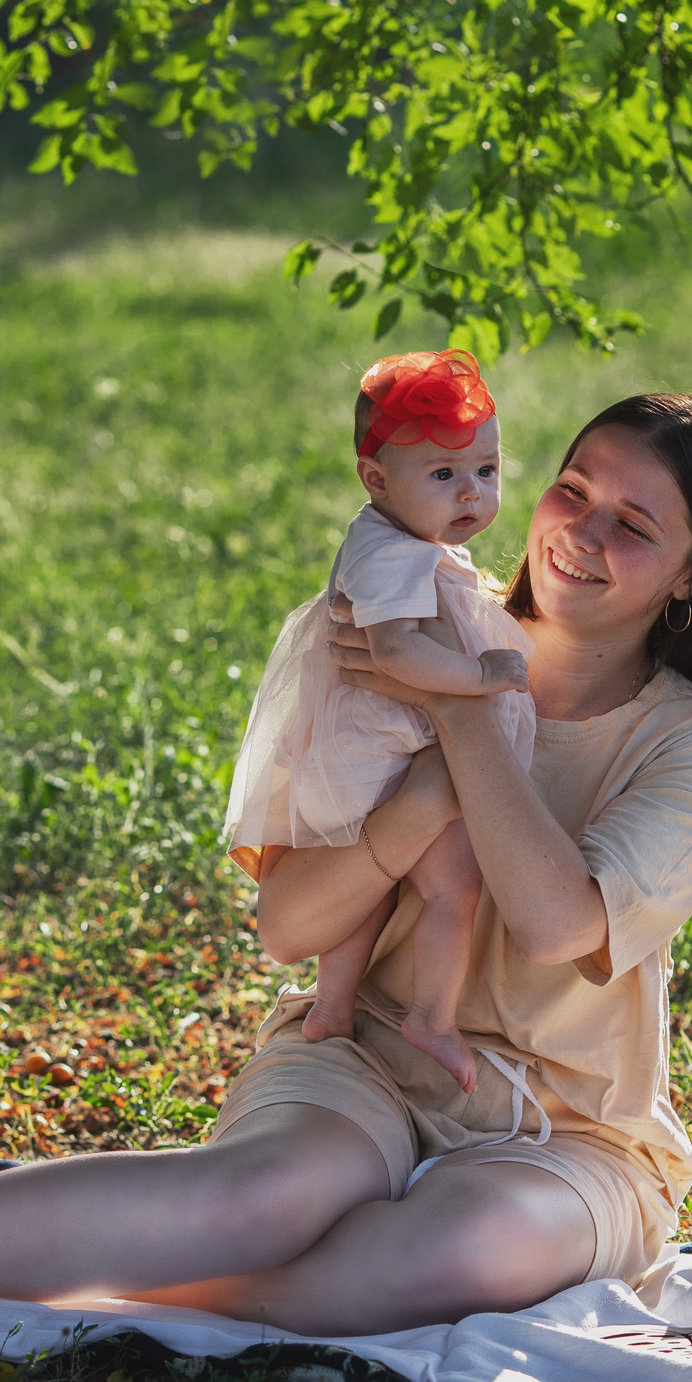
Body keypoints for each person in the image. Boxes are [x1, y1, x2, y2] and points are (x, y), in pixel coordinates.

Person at [0, 392, 692, 1340]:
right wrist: (430, 769)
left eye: (634, 526)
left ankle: (55, 1244)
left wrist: (463, 715)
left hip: (573, 1130)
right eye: (573, 488)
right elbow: (290, 929)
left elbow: (558, 927)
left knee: (439, 1258)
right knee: (260, 1199)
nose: (577, 531)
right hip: (360, 1052)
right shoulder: (411, 614)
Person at [221, 348, 537, 1091]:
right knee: (450, 886)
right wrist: (475, 677)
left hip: (362, 752)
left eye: (487, 472)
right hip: (377, 752)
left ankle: (332, 1005)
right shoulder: (393, 554)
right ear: (376, 479)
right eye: (443, 475)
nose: (472, 494)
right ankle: (432, 1015)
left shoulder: (396, 537)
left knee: (380, 884)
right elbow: (393, 652)